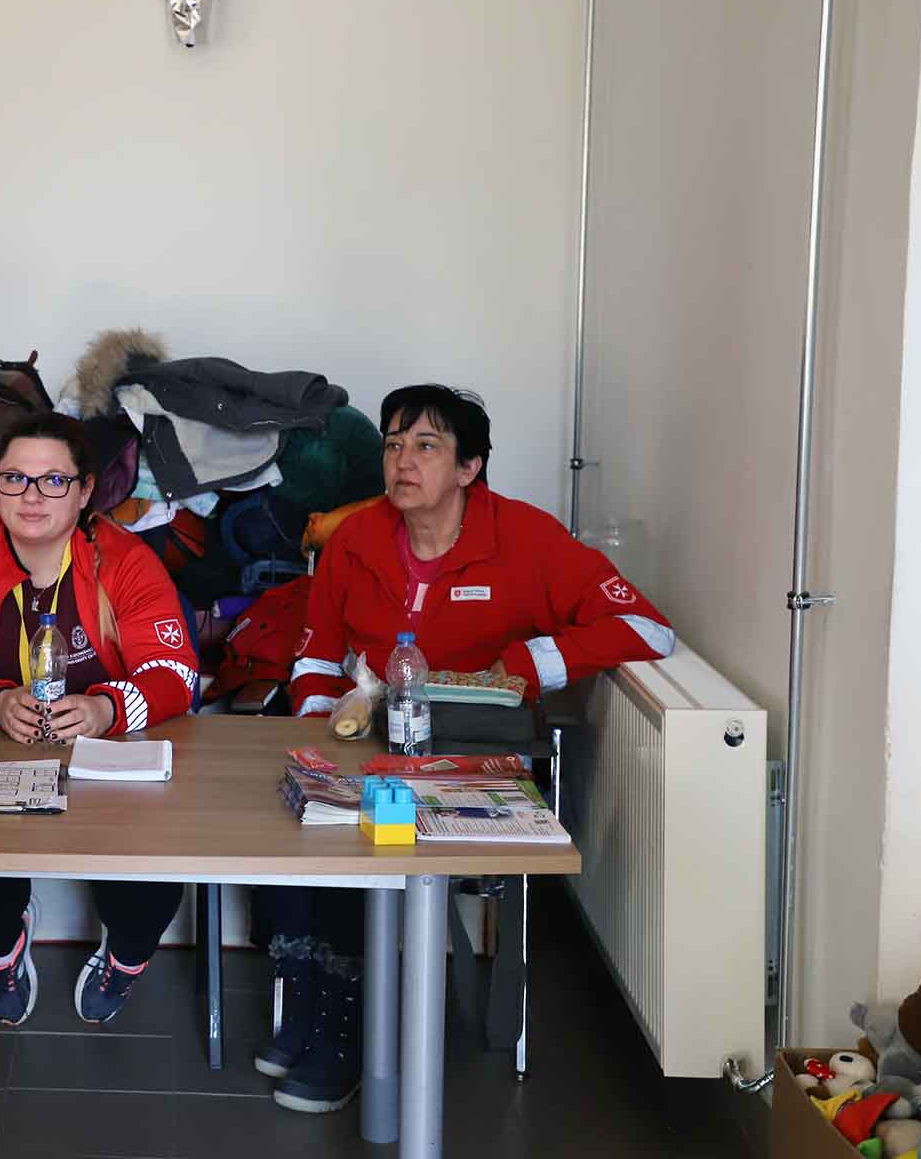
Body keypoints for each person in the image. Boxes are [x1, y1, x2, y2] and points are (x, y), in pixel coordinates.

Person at [257, 384, 674, 1115]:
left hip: (479, 763)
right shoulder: (355, 538)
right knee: (294, 826)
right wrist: (319, 724)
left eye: (426, 445)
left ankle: (351, 1028)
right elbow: (318, 652)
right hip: (373, 747)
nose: (401, 461)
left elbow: (648, 630)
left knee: (370, 851)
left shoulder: (527, 539)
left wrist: (523, 665)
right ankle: (316, 998)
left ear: (469, 467)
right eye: (393, 443)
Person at [0, 411, 199, 1027]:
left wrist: (105, 708)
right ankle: (1, 944)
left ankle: (126, 955)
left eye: (53, 481)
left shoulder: (126, 559)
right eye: (15, 479)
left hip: (109, 756)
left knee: (151, 872)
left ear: (86, 489)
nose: (32, 497)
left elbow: (176, 674)